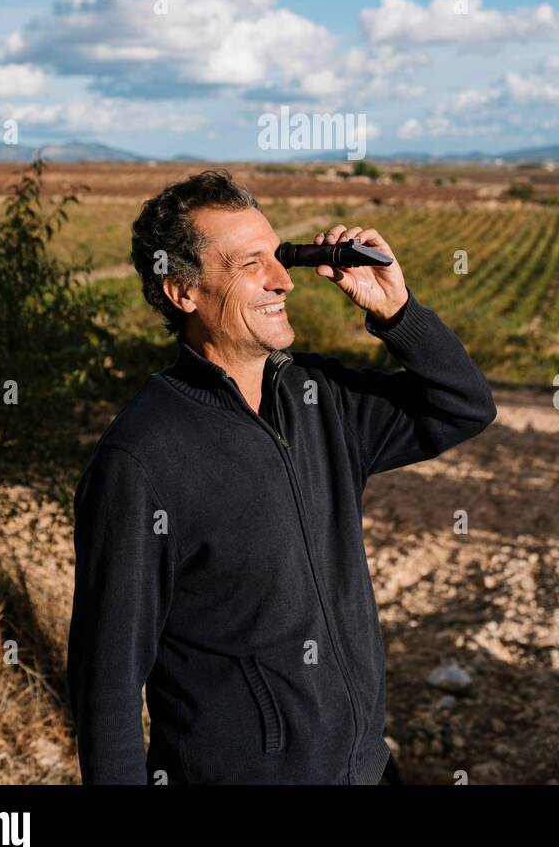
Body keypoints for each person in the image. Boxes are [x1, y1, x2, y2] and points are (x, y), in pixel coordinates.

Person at [66, 169, 497, 785]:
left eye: (278, 256)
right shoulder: (141, 458)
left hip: (367, 770)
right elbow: (106, 685)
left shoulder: (319, 397)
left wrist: (397, 313)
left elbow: (463, 407)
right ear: (183, 291)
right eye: (251, 264)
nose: (282, 279)